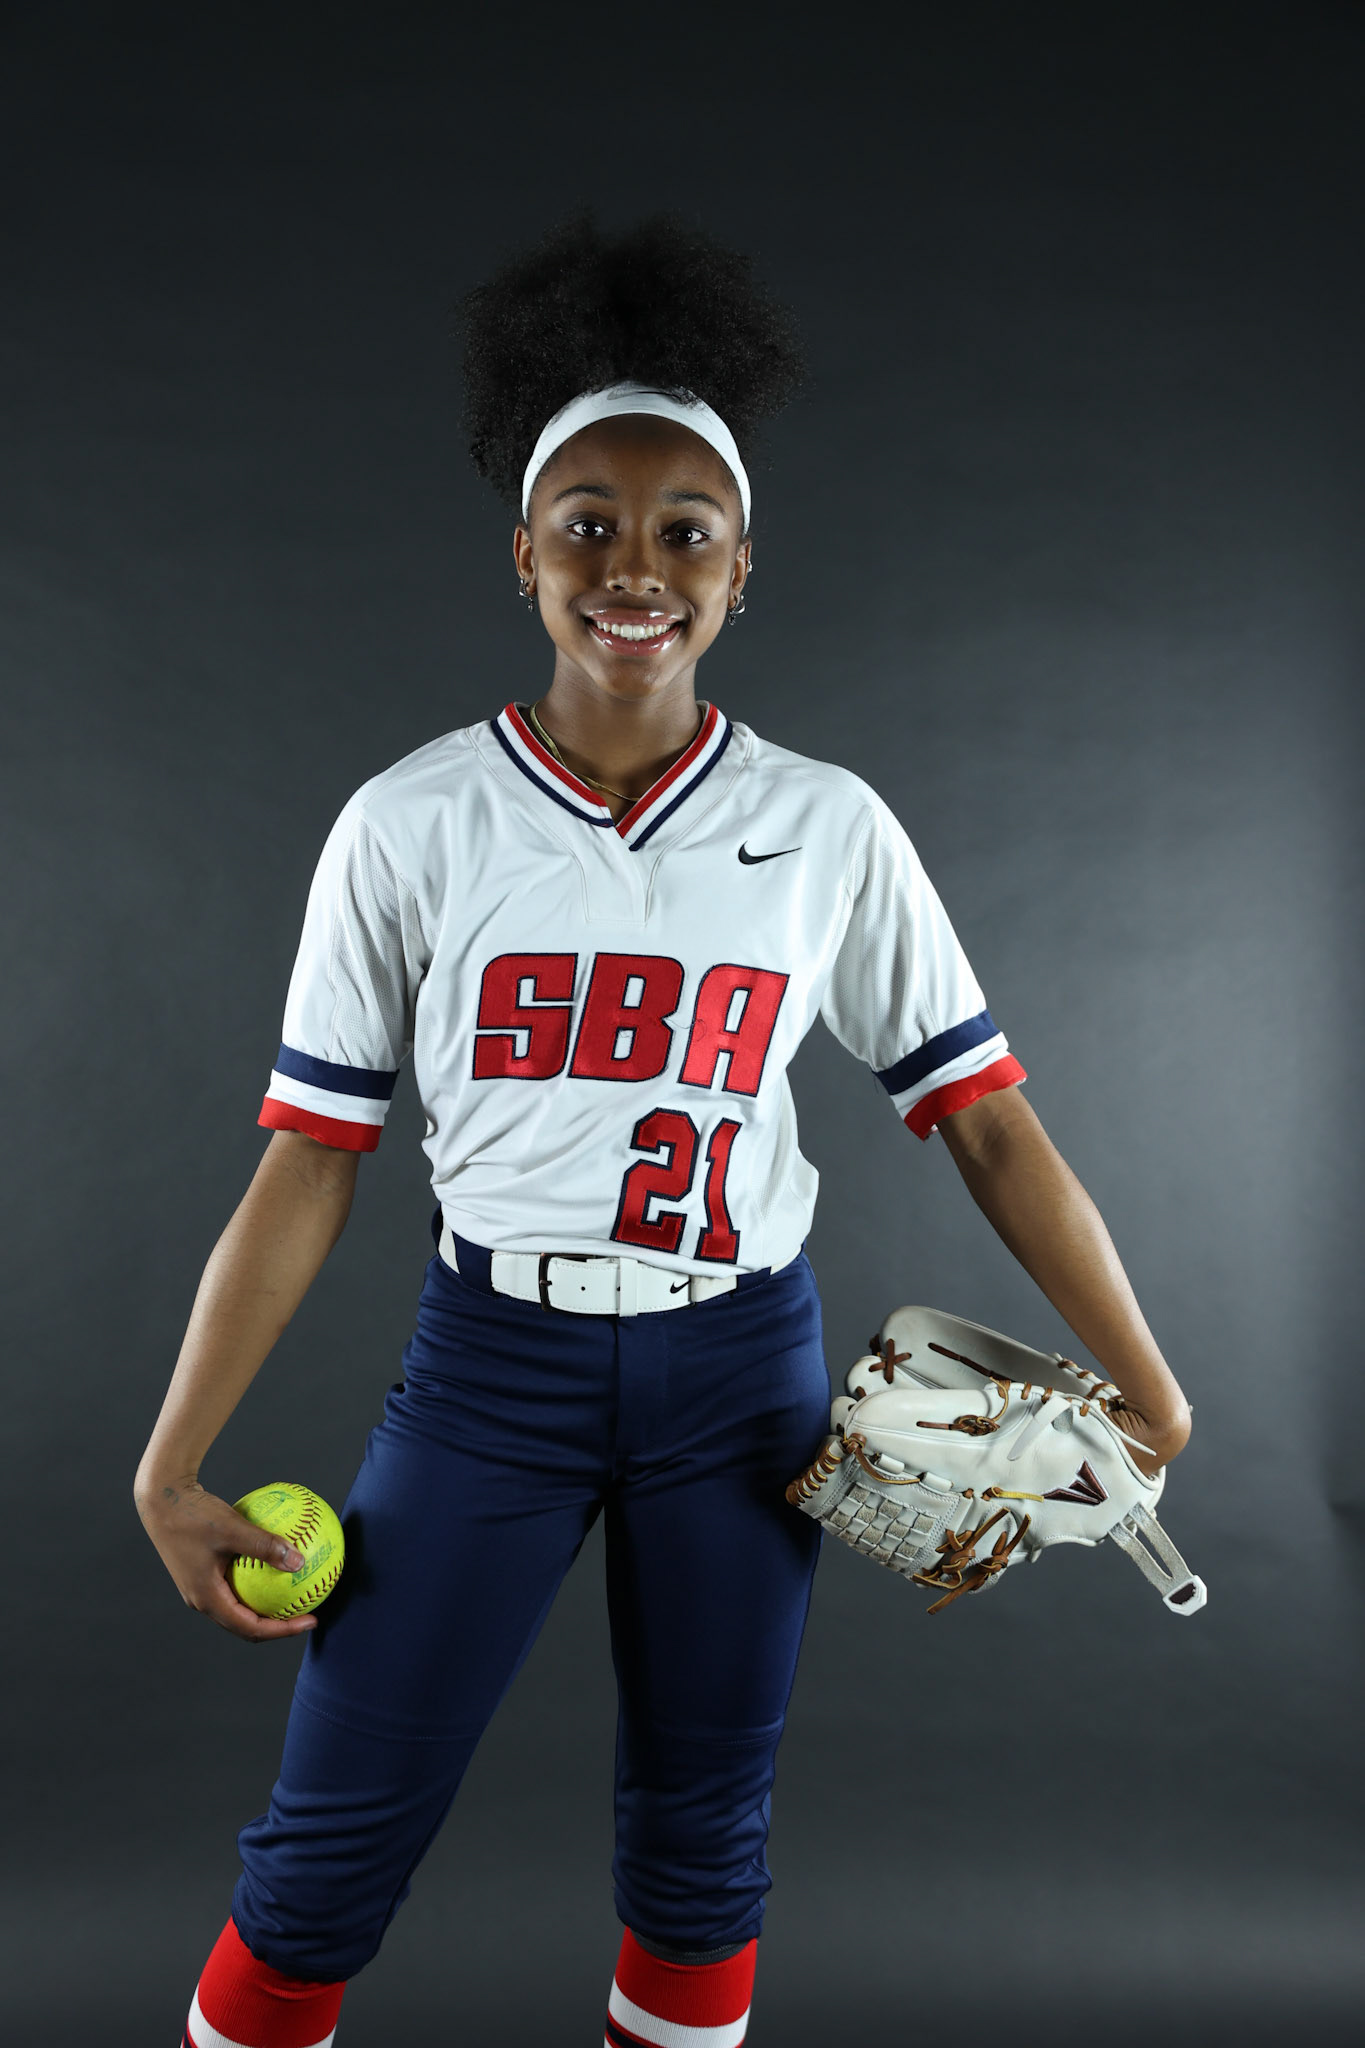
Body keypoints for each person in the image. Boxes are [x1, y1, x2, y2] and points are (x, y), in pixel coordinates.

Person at [135, 214, 1191, 2048]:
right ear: (523, 553)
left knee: (704, 1842)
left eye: (685, 530)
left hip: (740, 1375)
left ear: (741, 567)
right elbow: (308, 1155)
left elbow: (989, 1126)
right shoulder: (410, 822)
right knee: (329, 1840)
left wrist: (1148, 1385)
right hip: (491, 1368)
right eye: (589, 525)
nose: (636, 566)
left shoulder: (826, 824)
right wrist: (172, 1462)